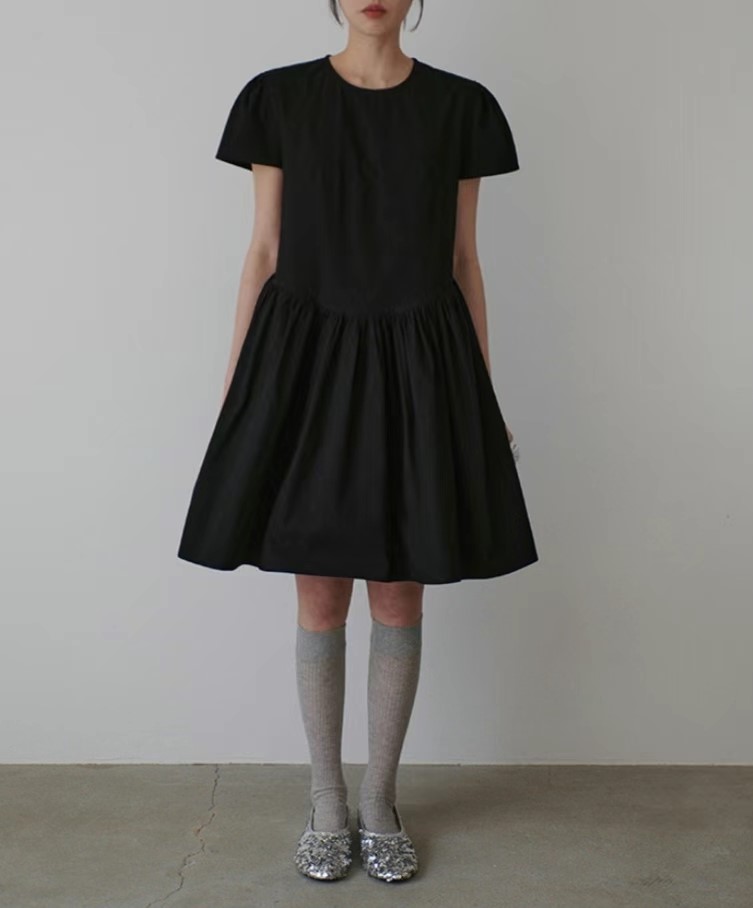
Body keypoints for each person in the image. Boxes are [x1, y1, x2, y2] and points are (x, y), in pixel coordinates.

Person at [177, 0, 538, 884]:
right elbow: (263, 250)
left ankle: (379, 801)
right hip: (305, 359)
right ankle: (325, 801)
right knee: (319, 594)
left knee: (400, 594)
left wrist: (480, 394)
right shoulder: (276, 99)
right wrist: (237, 383)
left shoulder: (461, 107)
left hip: (421, 361)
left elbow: (463, 259)